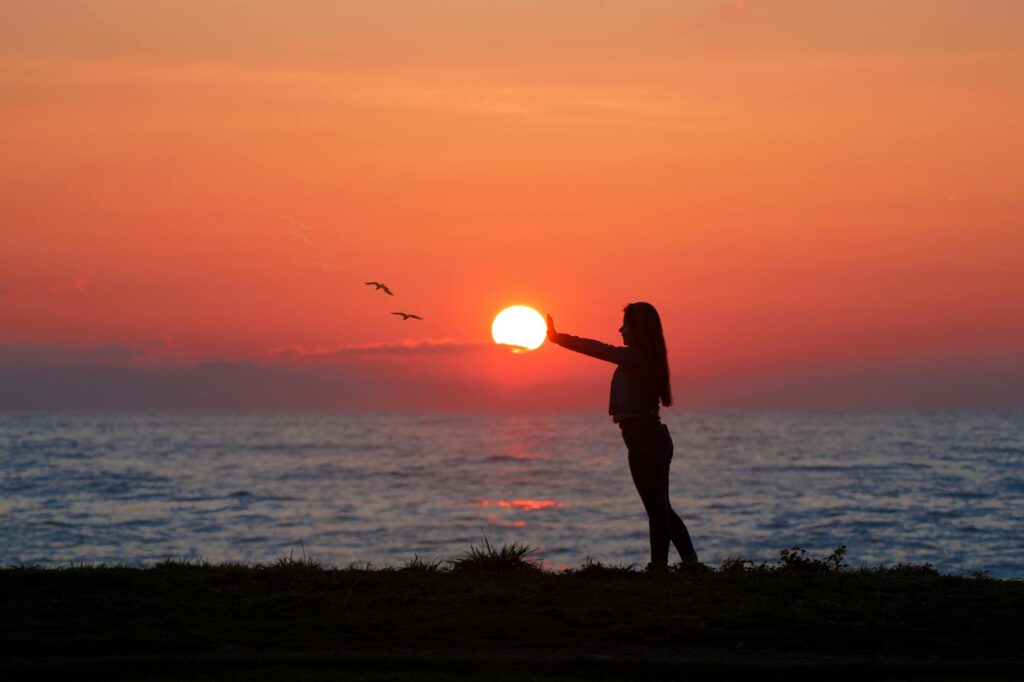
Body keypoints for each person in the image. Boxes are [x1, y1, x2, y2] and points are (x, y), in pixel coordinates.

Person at [546, 302, 698, 571]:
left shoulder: (637, 358)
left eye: (625, 324)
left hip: (645, 439)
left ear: (637, 328)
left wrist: (559, 339)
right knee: (661, 507)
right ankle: (689, 563)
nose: (620, 329)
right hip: (649, 437)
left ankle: (661, 566)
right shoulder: (644, 358)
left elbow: (599, 350)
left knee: (657, 509)